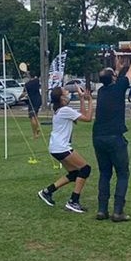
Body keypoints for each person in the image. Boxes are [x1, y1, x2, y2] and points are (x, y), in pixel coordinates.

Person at [92, 47, 131, 222]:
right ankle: (118, 211)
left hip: (98, 136)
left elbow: (110, 78)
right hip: (114, 137)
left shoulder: (102, 91)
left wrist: (117, 69)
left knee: (105, 173)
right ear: (113, 78)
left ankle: (101, 210)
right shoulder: (119, 88)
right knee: (122, 173)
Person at [38, 85, 94, 214]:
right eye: (66, 92)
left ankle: (47, 192)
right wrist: (90, 101)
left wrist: (81, 99)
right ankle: (73, 202)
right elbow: (88, 118)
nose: (69, 93)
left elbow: (81, 114)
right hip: (61, 147)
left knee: (74, 174)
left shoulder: (62, 110)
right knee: (85, 169)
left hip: (56, 147)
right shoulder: (64, 110)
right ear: (62, 97)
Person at [25, 73, 44, 138]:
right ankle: (37, 128)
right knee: (35, 115)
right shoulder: (37, 81)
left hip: (32, 101)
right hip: (38, 100)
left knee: (32, 117)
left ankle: (35, 133)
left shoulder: (27, 84)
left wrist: (19, 97)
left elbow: (24, 93)